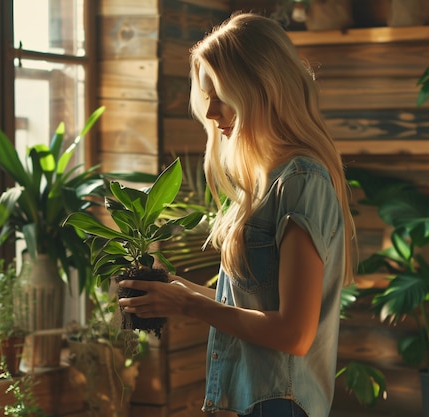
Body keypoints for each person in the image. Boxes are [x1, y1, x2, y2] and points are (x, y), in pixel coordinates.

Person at [118, 11, 356, 417]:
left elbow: (293, 334)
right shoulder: (262, 182)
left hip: (278, 406)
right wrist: (172, 287)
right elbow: (253, 306)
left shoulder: (300, 182)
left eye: (221, 95)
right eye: (206, 96)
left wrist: (187, 306)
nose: (210, 113)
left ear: (262, 89)